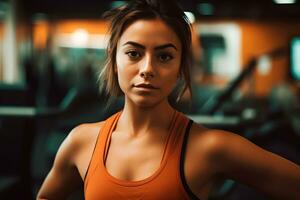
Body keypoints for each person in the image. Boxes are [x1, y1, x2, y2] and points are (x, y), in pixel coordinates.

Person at [37, 0, 300, 199]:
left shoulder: (211, 148)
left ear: (180, 68)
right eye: (133, 53)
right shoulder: (82, 142)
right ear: (115, 61)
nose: (147, 68)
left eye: (164, 56)